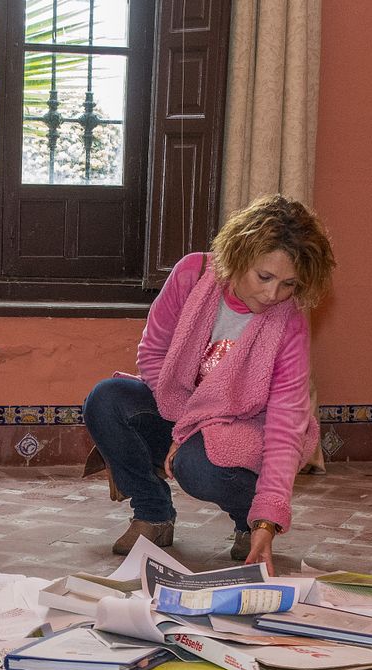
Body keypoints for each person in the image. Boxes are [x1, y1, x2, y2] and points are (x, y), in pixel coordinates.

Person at [82, 194, 336, 572]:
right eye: (264, 277)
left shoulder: (290, 319)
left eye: (289, 284)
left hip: (244, 428)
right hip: (178, 408)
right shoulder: (192, 274)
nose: (272, 295)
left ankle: (247, 522)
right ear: (238, 254)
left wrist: (268, 518)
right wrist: (185, 426)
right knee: (105, 399)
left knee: (197, 465)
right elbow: (152, 354)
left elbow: (286, 422)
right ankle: (153, 514)